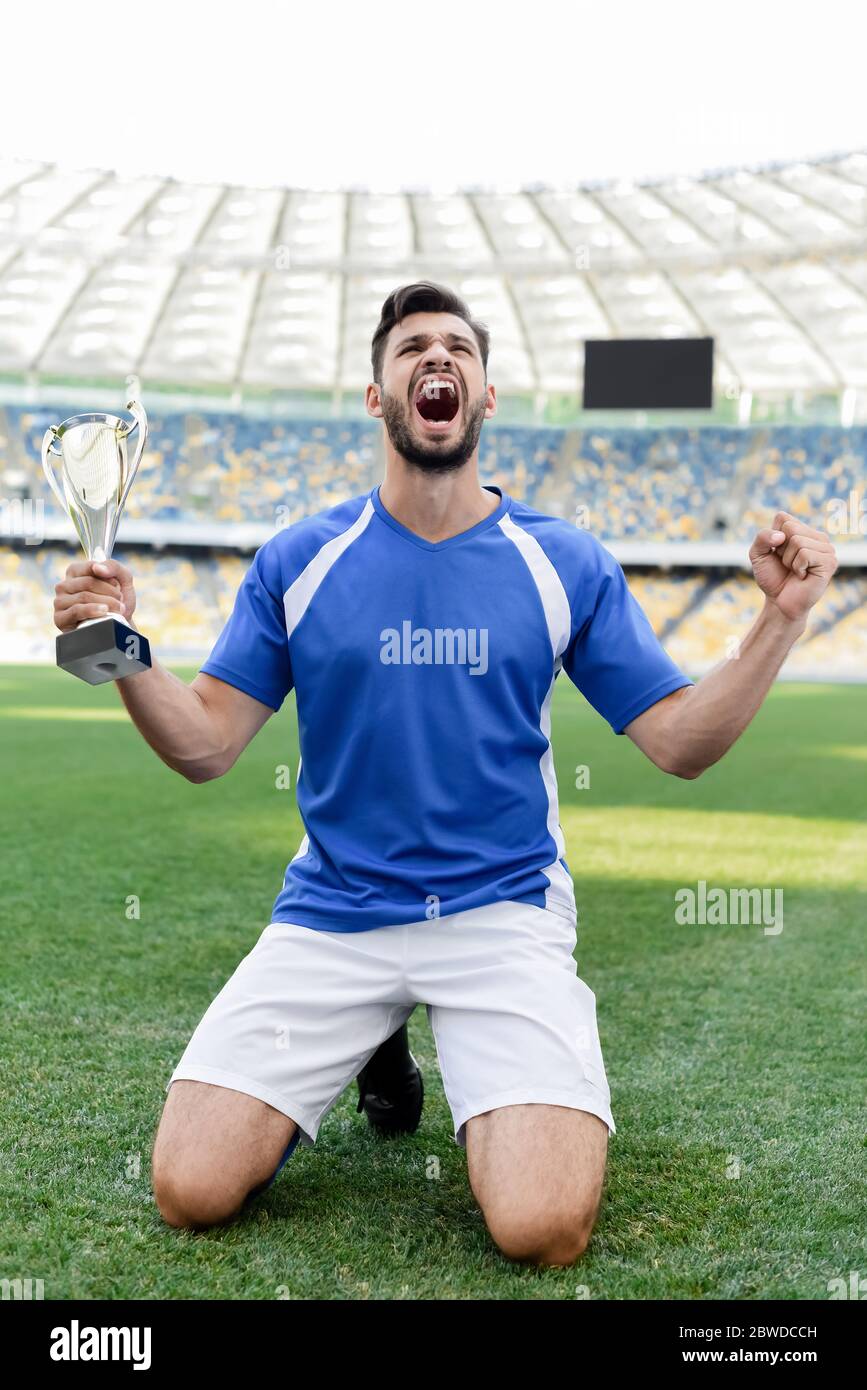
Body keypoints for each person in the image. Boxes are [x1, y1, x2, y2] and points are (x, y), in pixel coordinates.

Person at [53, 281, 838, 1266]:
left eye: (458, 348)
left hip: (500, 910)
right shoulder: (300, 557)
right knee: (189, 1188)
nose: (437, 358)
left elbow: (682, 742)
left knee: (541, 1227)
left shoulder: (562, 561)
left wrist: (780, 618)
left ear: (486, 394)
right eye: (413, 348)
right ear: (377, 396)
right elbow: (206, 746)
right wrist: (117, 647)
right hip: (336, 910)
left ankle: (404, 1037)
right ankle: (371, 1031)